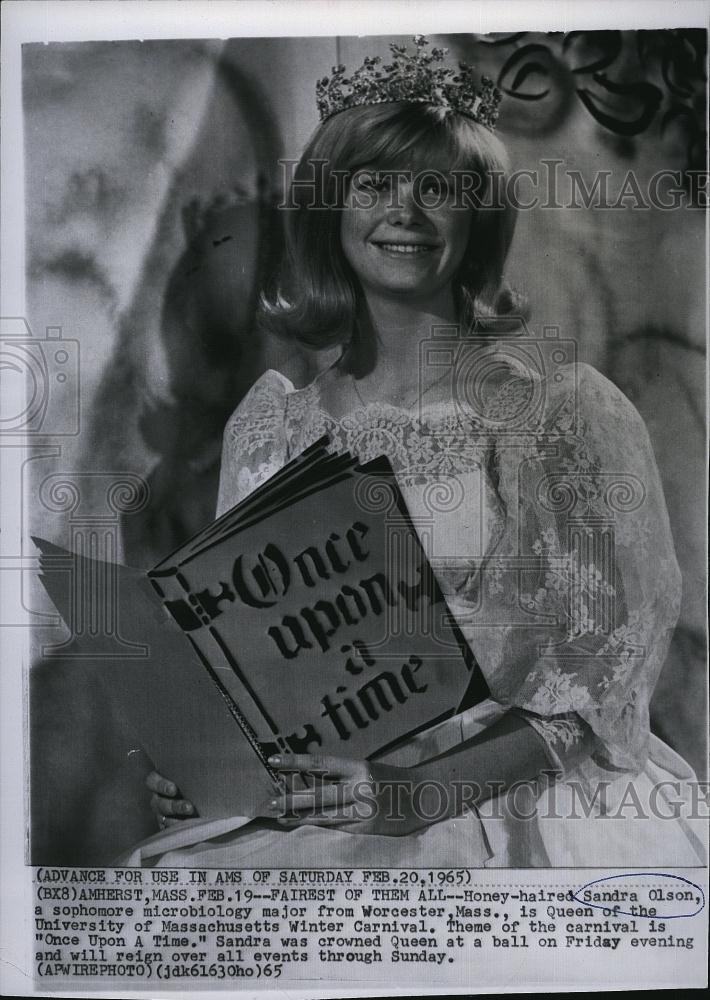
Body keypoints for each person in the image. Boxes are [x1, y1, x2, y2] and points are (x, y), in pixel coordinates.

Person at [121, 38, 704, 868]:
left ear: (477, 217)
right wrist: (206, 770)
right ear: (332, 209)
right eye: (376, 185)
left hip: (522, 805)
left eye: (439, 188)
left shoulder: (557, 411)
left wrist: (414, 795)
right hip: (322, 805)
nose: (408, 210)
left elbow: (600, 678)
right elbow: (259, 677)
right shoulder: (269, 425)